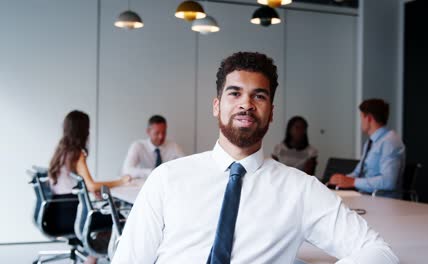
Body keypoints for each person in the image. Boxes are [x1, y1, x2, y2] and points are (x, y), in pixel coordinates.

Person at [112, 52, 399, 263]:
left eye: (258, 96)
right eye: (235, 93)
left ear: (271, 112)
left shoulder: (301, 189)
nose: (246, 104)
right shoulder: (167, 178)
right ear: (217, 105)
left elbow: (379, 252)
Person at [49, 110, 130, 264]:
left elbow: (83, 185)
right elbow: (91, 185)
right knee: (120, 219)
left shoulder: (62, 150)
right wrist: (120, 182)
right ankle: (97, 255)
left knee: (110, 217)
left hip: (58, 211)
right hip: (71, 214)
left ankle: (92, 257)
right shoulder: (77, 154)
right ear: (82, 130)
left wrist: (89, 192)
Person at [329, 99, 406, 194]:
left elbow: (388, 182)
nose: (360, 122)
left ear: (369, 118)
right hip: (364, 196)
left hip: (381, 200)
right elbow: (359, 173)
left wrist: (353, 182)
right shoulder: (370, 143)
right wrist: (342, 179)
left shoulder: (390, 141)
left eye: (361, 117)